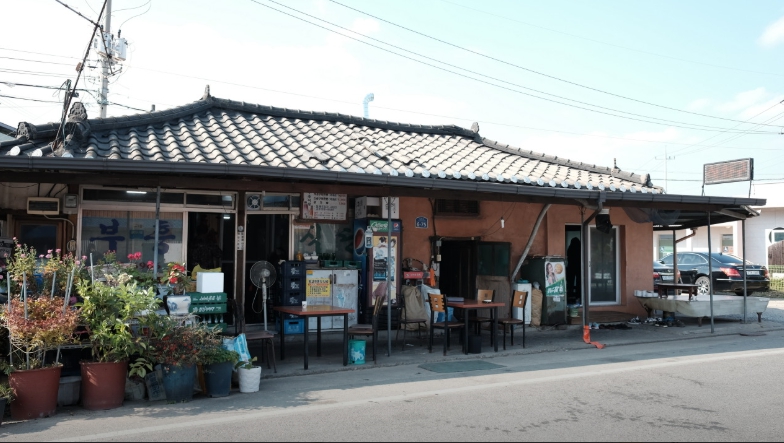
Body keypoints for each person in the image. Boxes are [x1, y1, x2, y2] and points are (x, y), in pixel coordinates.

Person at [566, 237, 582, 304]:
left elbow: (568, 257)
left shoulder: (570, 248)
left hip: (571, 267)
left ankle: (570, 294)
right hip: (578, 267)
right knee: (579, 281)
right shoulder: (580, 248)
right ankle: (578, 295)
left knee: (570, 282)